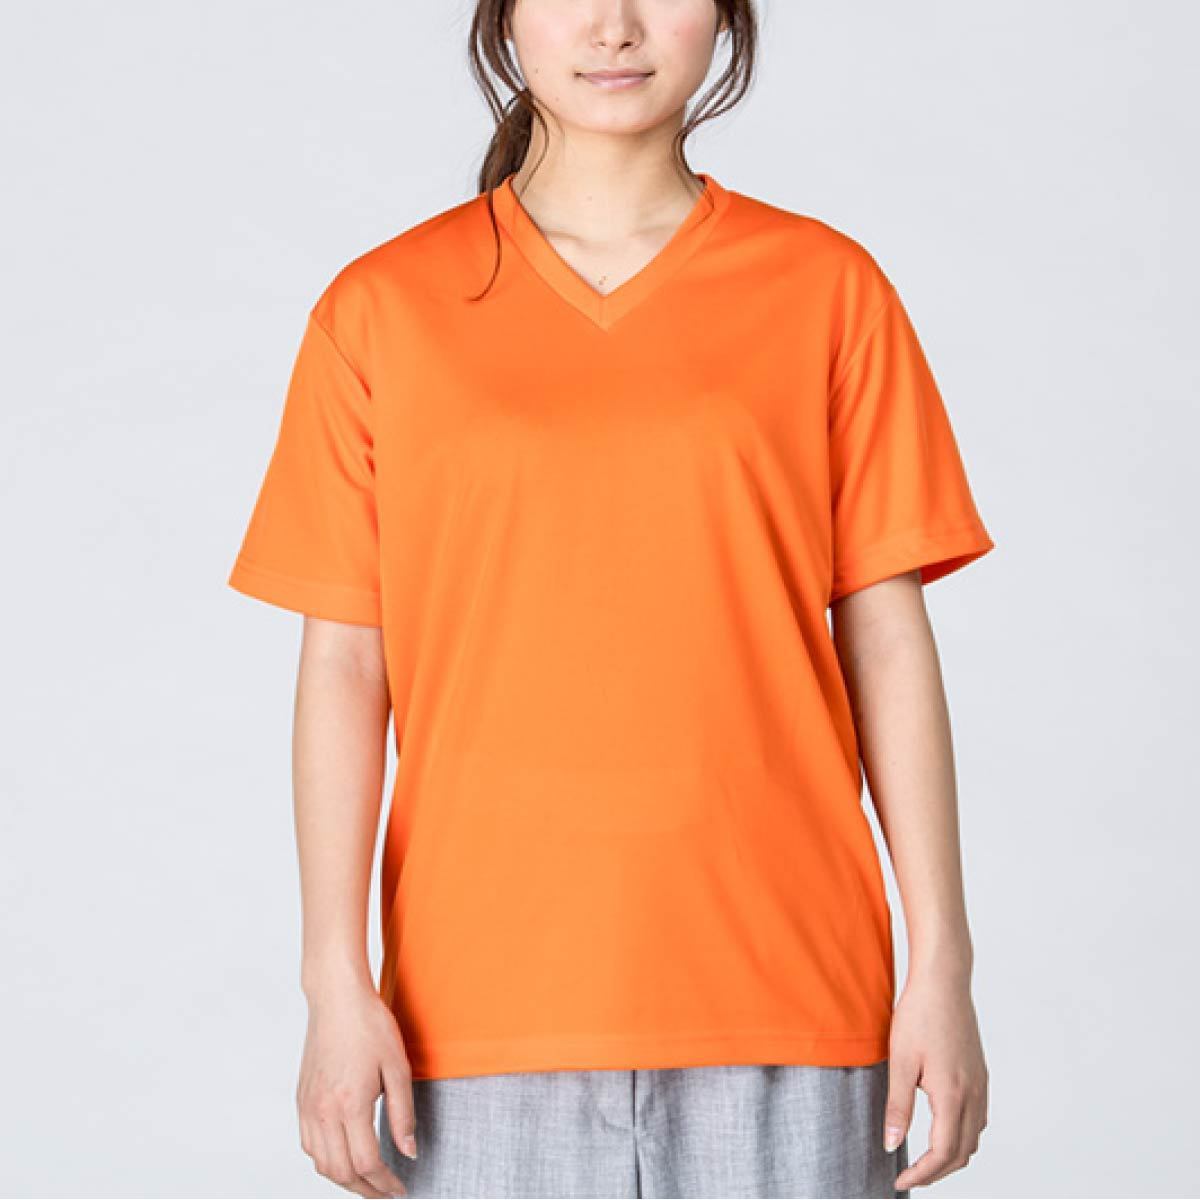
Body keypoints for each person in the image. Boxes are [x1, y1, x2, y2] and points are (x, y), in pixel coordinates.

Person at [226, 1, 994, 1196]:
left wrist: (942, 965)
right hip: (472, 1020)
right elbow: (344, 664)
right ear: (505, 19)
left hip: (790, 996)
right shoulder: (381, 309)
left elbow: (887, 643)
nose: (614, 26)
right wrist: (335, 982)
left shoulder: (827, 290)